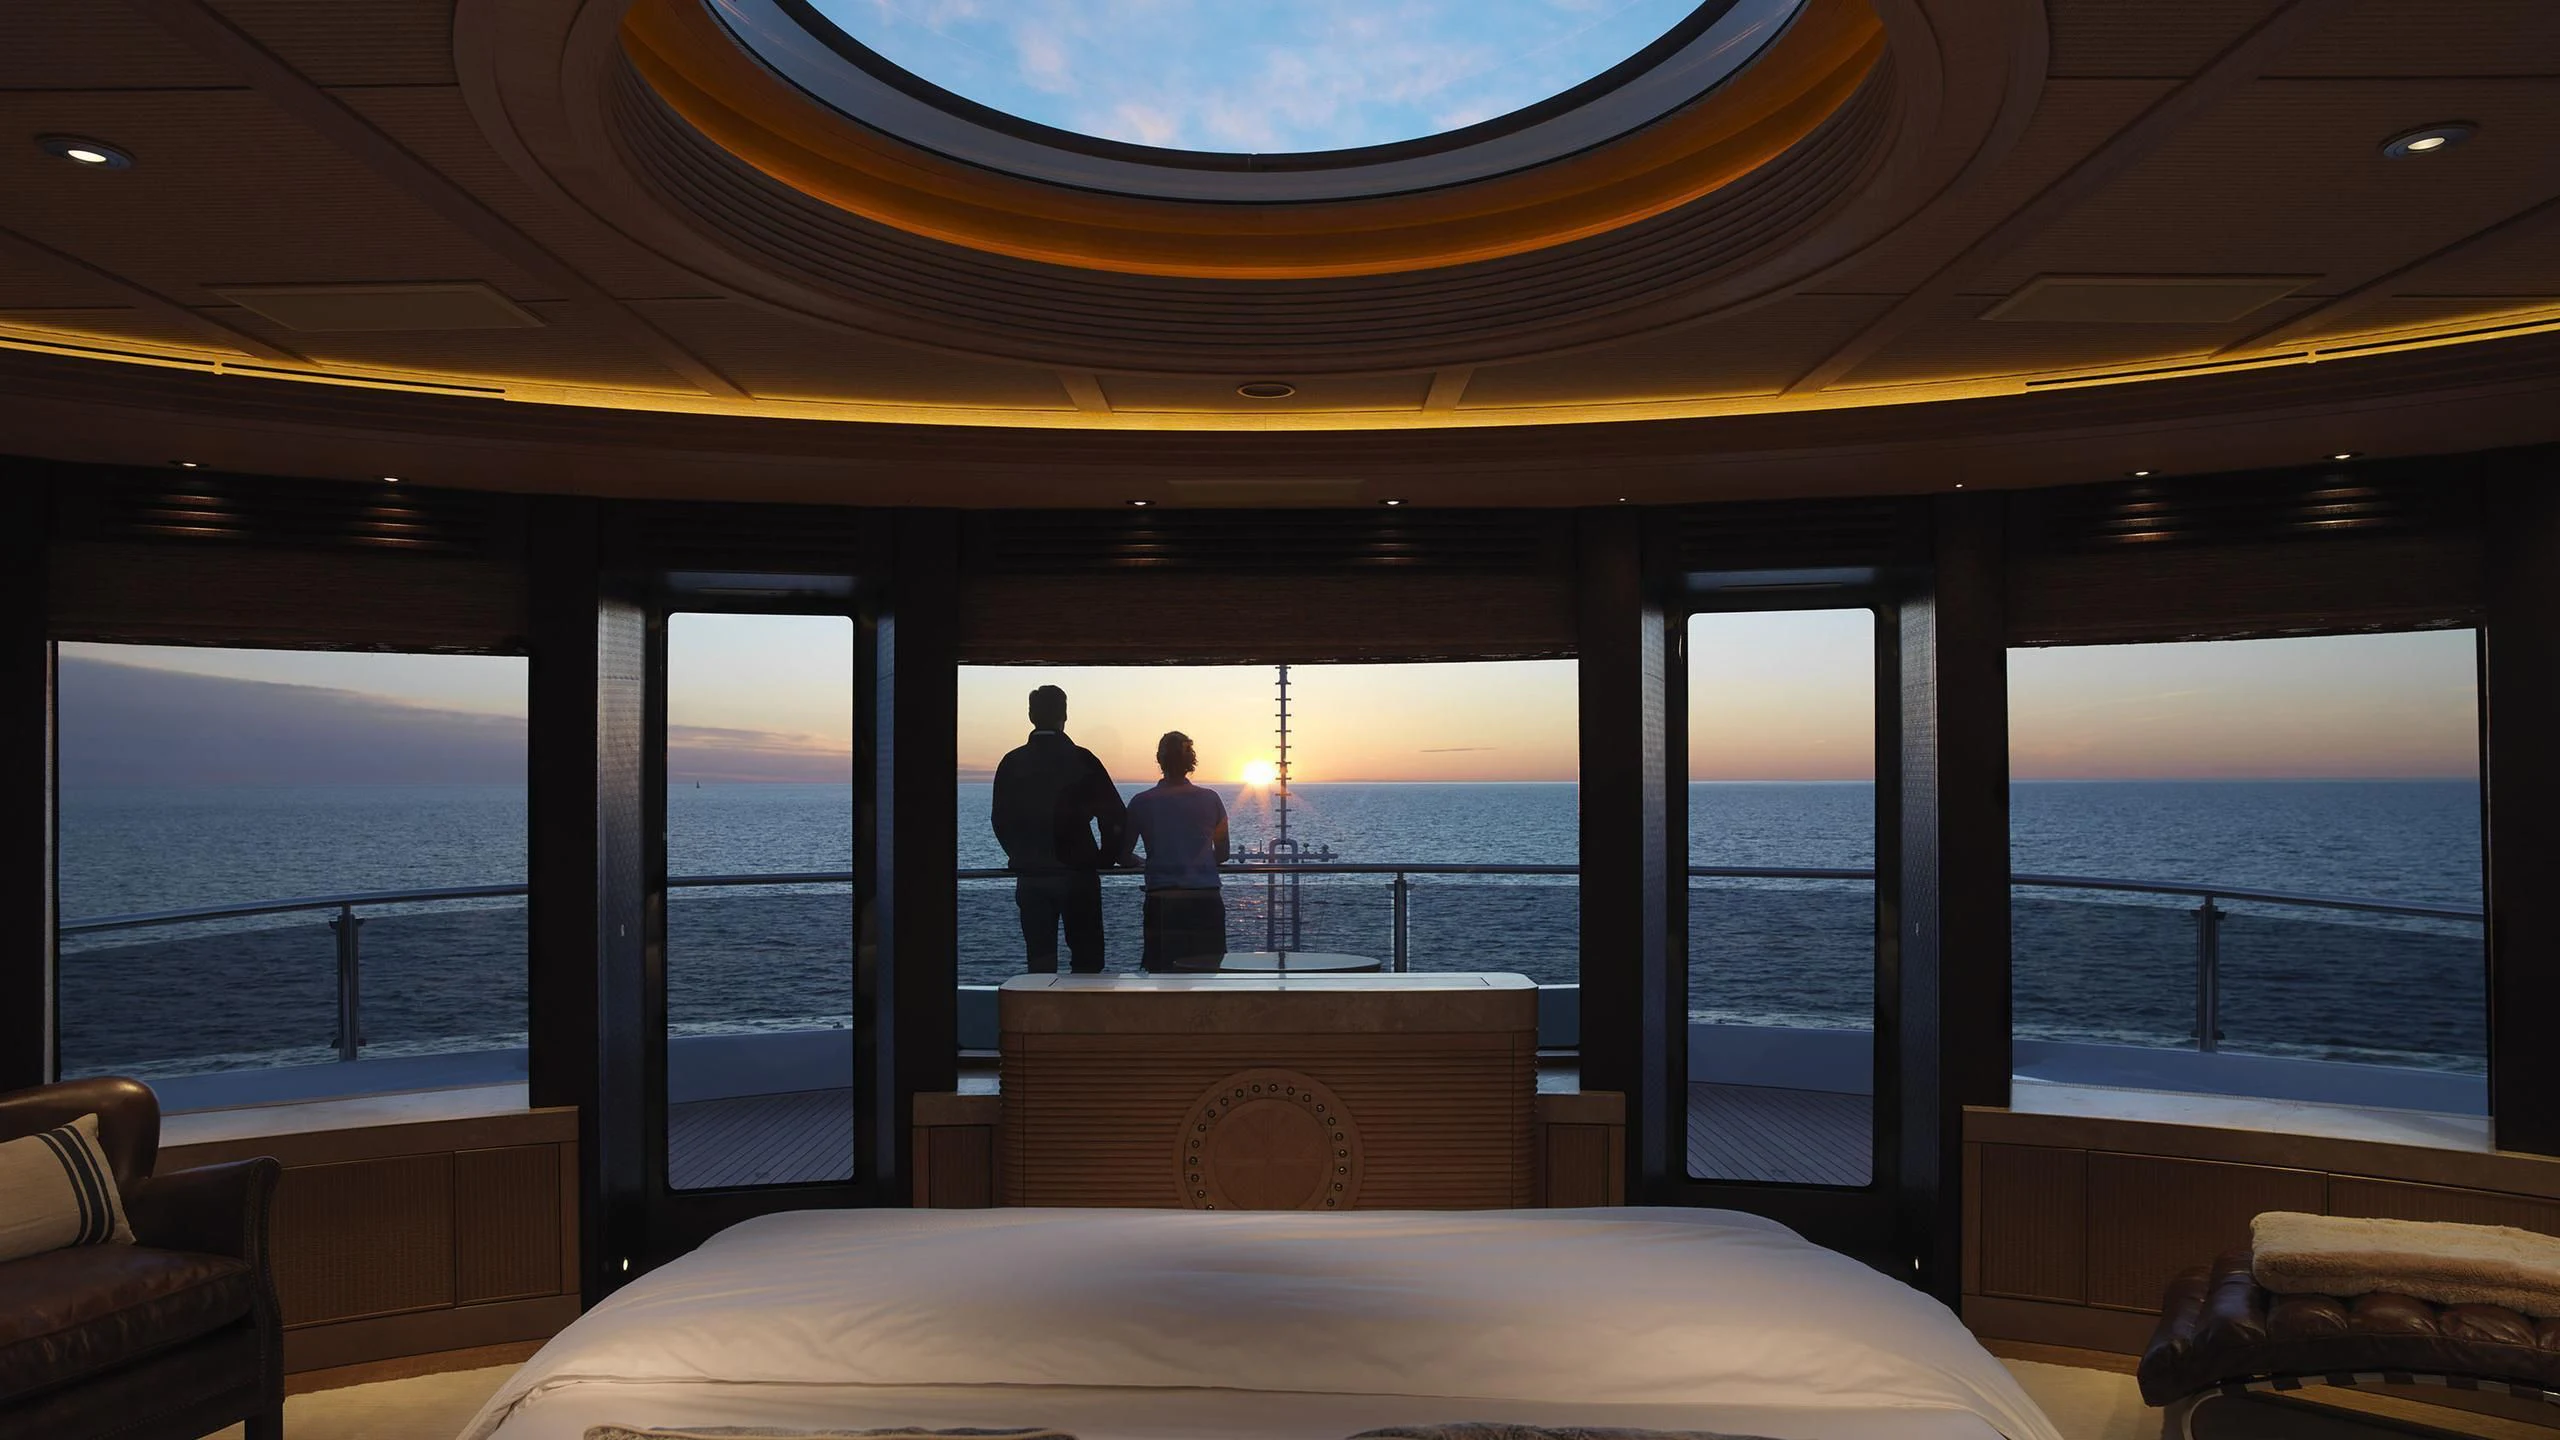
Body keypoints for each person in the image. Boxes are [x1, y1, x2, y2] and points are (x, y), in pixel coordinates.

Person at [990, 685, 1126, 974]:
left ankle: (1042, 1018)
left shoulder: (1012, 762)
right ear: (1065, 714)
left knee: (1039, 960)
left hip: (1031, 874)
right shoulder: (1083, 760)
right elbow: (1113, 815)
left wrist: (1021, 853)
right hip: (1078, 873)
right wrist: (1104, 857)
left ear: (1030, 715)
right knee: (1088, 959)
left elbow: (1000, 820)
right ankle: (1084, 1016)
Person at [1122, 731, 1230, 972]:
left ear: (1159, 760)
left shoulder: (1141, 802)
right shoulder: (1211, 799)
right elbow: (1223, 853)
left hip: (1163, 899)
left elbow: (1123, 854)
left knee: (1162, 972)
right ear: (1191, 761)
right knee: (1210, 970)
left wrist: (1145, 862)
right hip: (1206, 899)